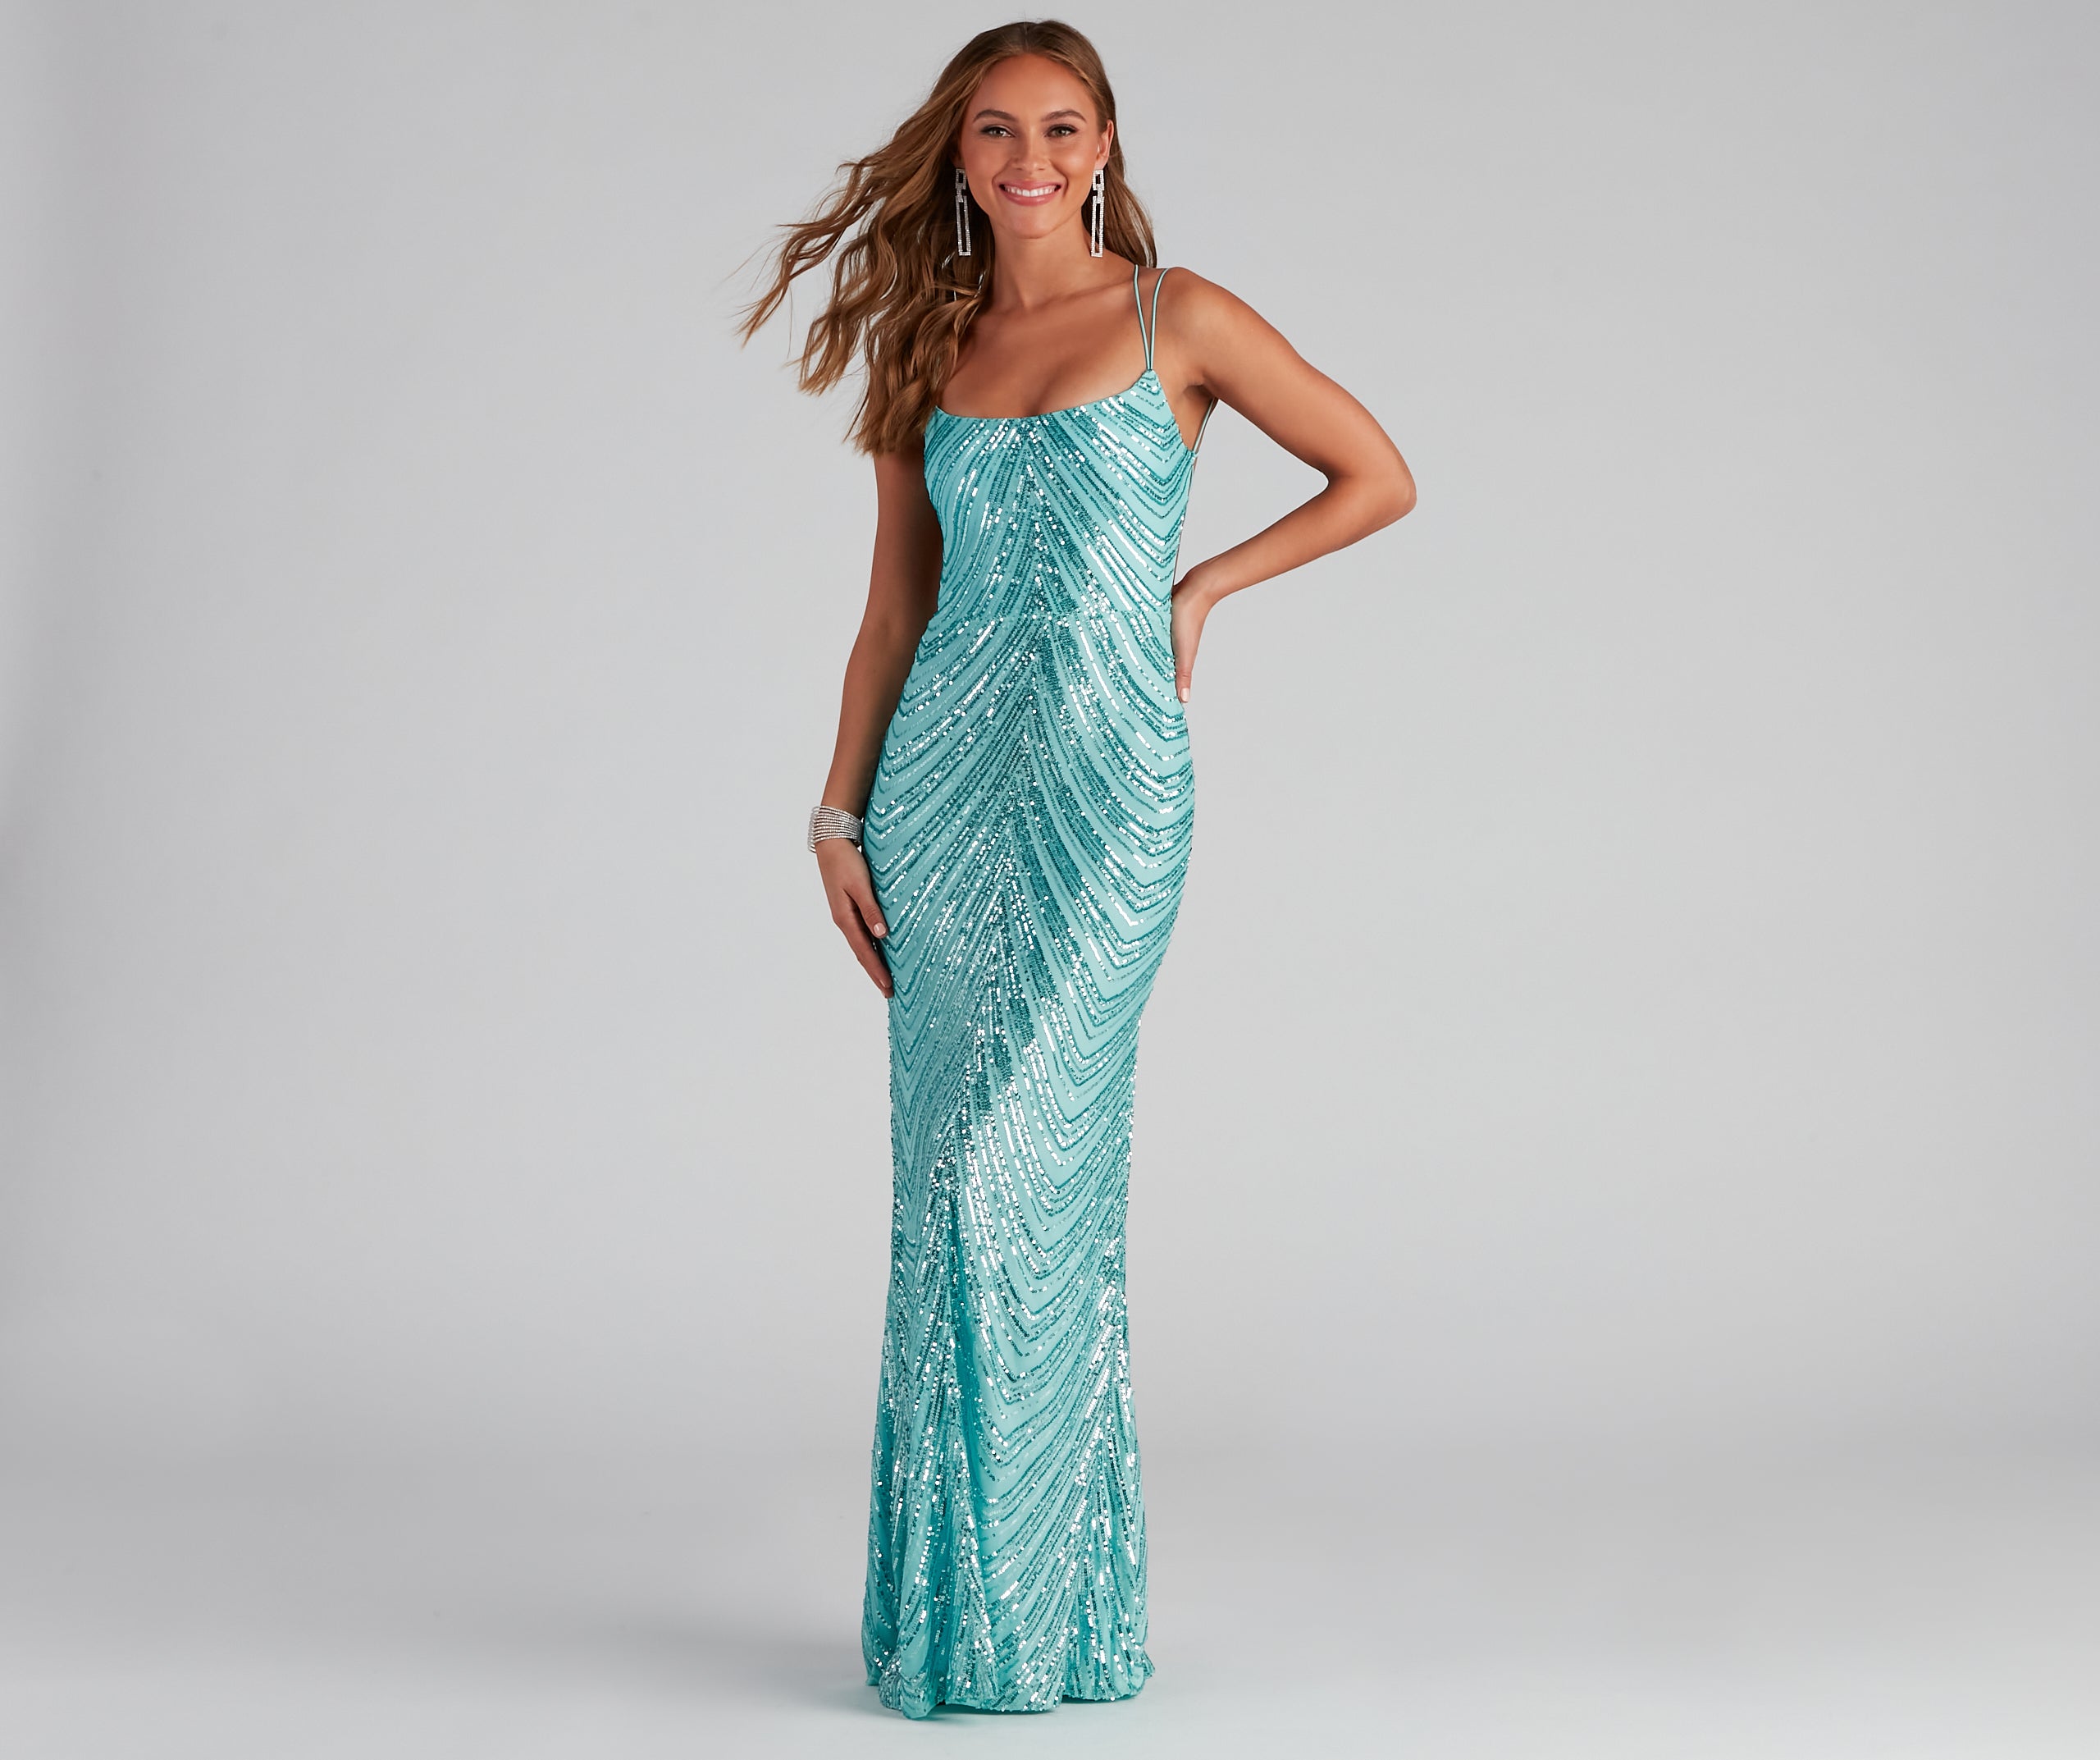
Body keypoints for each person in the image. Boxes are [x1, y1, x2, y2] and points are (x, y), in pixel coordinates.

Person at [741, 18, 1414, 1721]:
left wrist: (1201, 588)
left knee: (1016, 1169)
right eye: (995, 129)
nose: (1027, 157)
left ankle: (1029, 1609)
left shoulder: (1179, 317)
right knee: (951, 1189)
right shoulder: (927, 340)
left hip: (1110, 792)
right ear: (959, 154)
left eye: (1058, 127)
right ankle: (997, 1625)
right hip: (939, 794)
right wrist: (836, 817)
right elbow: (895, 607)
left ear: (1102, 144)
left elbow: (1378, 475)